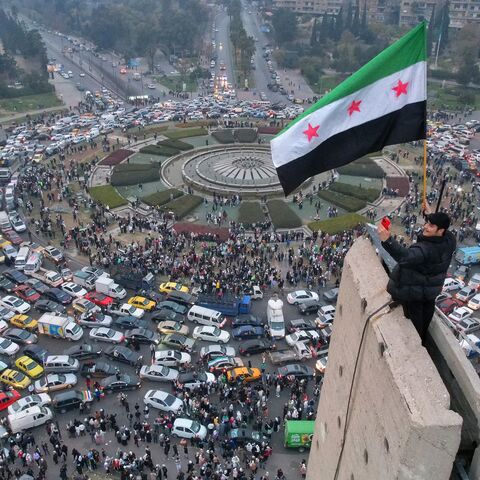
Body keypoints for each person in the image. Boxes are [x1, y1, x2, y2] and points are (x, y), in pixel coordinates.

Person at [378, 210, 456, 345]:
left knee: (415, 326)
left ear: (440, 230)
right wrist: (431, 214)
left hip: (414, 293)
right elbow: (444, 229)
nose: (425, 226)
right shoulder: (449, 240)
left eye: (431, 225)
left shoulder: (425, 249)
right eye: (427, 222)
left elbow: (405, 257)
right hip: (430, 292)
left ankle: (416, 346)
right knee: (425, 319)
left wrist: (387, 240)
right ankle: (422, 341)